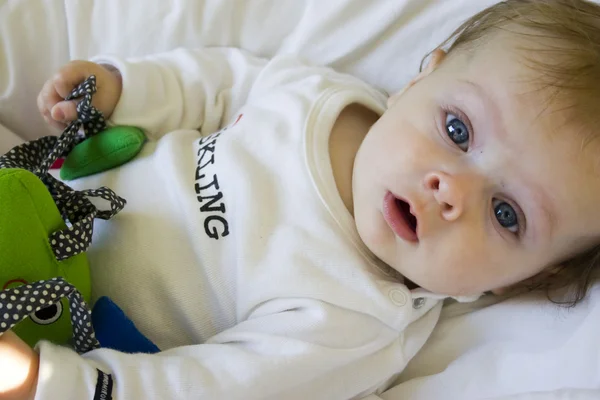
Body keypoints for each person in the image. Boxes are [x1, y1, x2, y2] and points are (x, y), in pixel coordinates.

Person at [3, 0, 600, 398]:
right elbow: (220, 82)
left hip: (47, 324)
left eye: (506, 215)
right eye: (457, 130)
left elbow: (207, 388)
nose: (452, 192)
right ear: (422, 78)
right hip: (33, 191)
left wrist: (45, 381)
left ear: (518, 281)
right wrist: (127, 89)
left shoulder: (355, 323)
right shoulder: (319, 97)